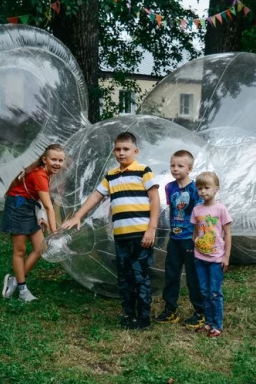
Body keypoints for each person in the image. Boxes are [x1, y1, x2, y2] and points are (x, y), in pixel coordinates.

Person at [62, 132, 160, 330]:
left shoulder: (144, 171)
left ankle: (143, 317)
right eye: (118, 149)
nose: (121, 153)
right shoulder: (111, 176)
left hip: (141, 235)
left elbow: (155, 200)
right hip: (121, 236)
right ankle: (128, 313)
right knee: (124, 276)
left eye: (126, 149)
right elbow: (95, 196)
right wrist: (78, 216)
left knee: (140, 275)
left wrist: (152, 228)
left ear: (135, 151)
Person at [0, 144, 65, 302]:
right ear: (45, 159)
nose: (57, 163)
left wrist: (39, 216)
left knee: (40, 248)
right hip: (17, 206)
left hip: (29, 206)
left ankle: (14, 280)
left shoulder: (47, 173)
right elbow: (49, 206)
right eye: (53, 159)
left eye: (60, 160)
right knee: (20, 250)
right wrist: (54, 234)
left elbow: (38, 198)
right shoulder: (40, 175)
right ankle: (23, 290)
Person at [155, 150, 205, 329]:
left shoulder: (195, 189)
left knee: (193, 277)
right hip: (174, 238)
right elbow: (173, 210)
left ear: (189, 169)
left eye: (180, 166)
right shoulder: (169, 187)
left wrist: (198, 237)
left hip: (190, 239)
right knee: (171, 274)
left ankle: (200, 312)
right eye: (172, 165)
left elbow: (200, 214)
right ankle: (170, 310)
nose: (175, 169)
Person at [191, 171, 232, 338]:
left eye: (207, 187)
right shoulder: (197, 209)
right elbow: (195, 230)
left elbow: (227, 234)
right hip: (200, 258)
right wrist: (195, 242)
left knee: (215, 292)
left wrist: (226, 256)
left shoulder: (221, 209)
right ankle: (208, 323)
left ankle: (217, 325)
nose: (203, 191)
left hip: (216, 259)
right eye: (199, 188)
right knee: (204, 291)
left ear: (216, 189)